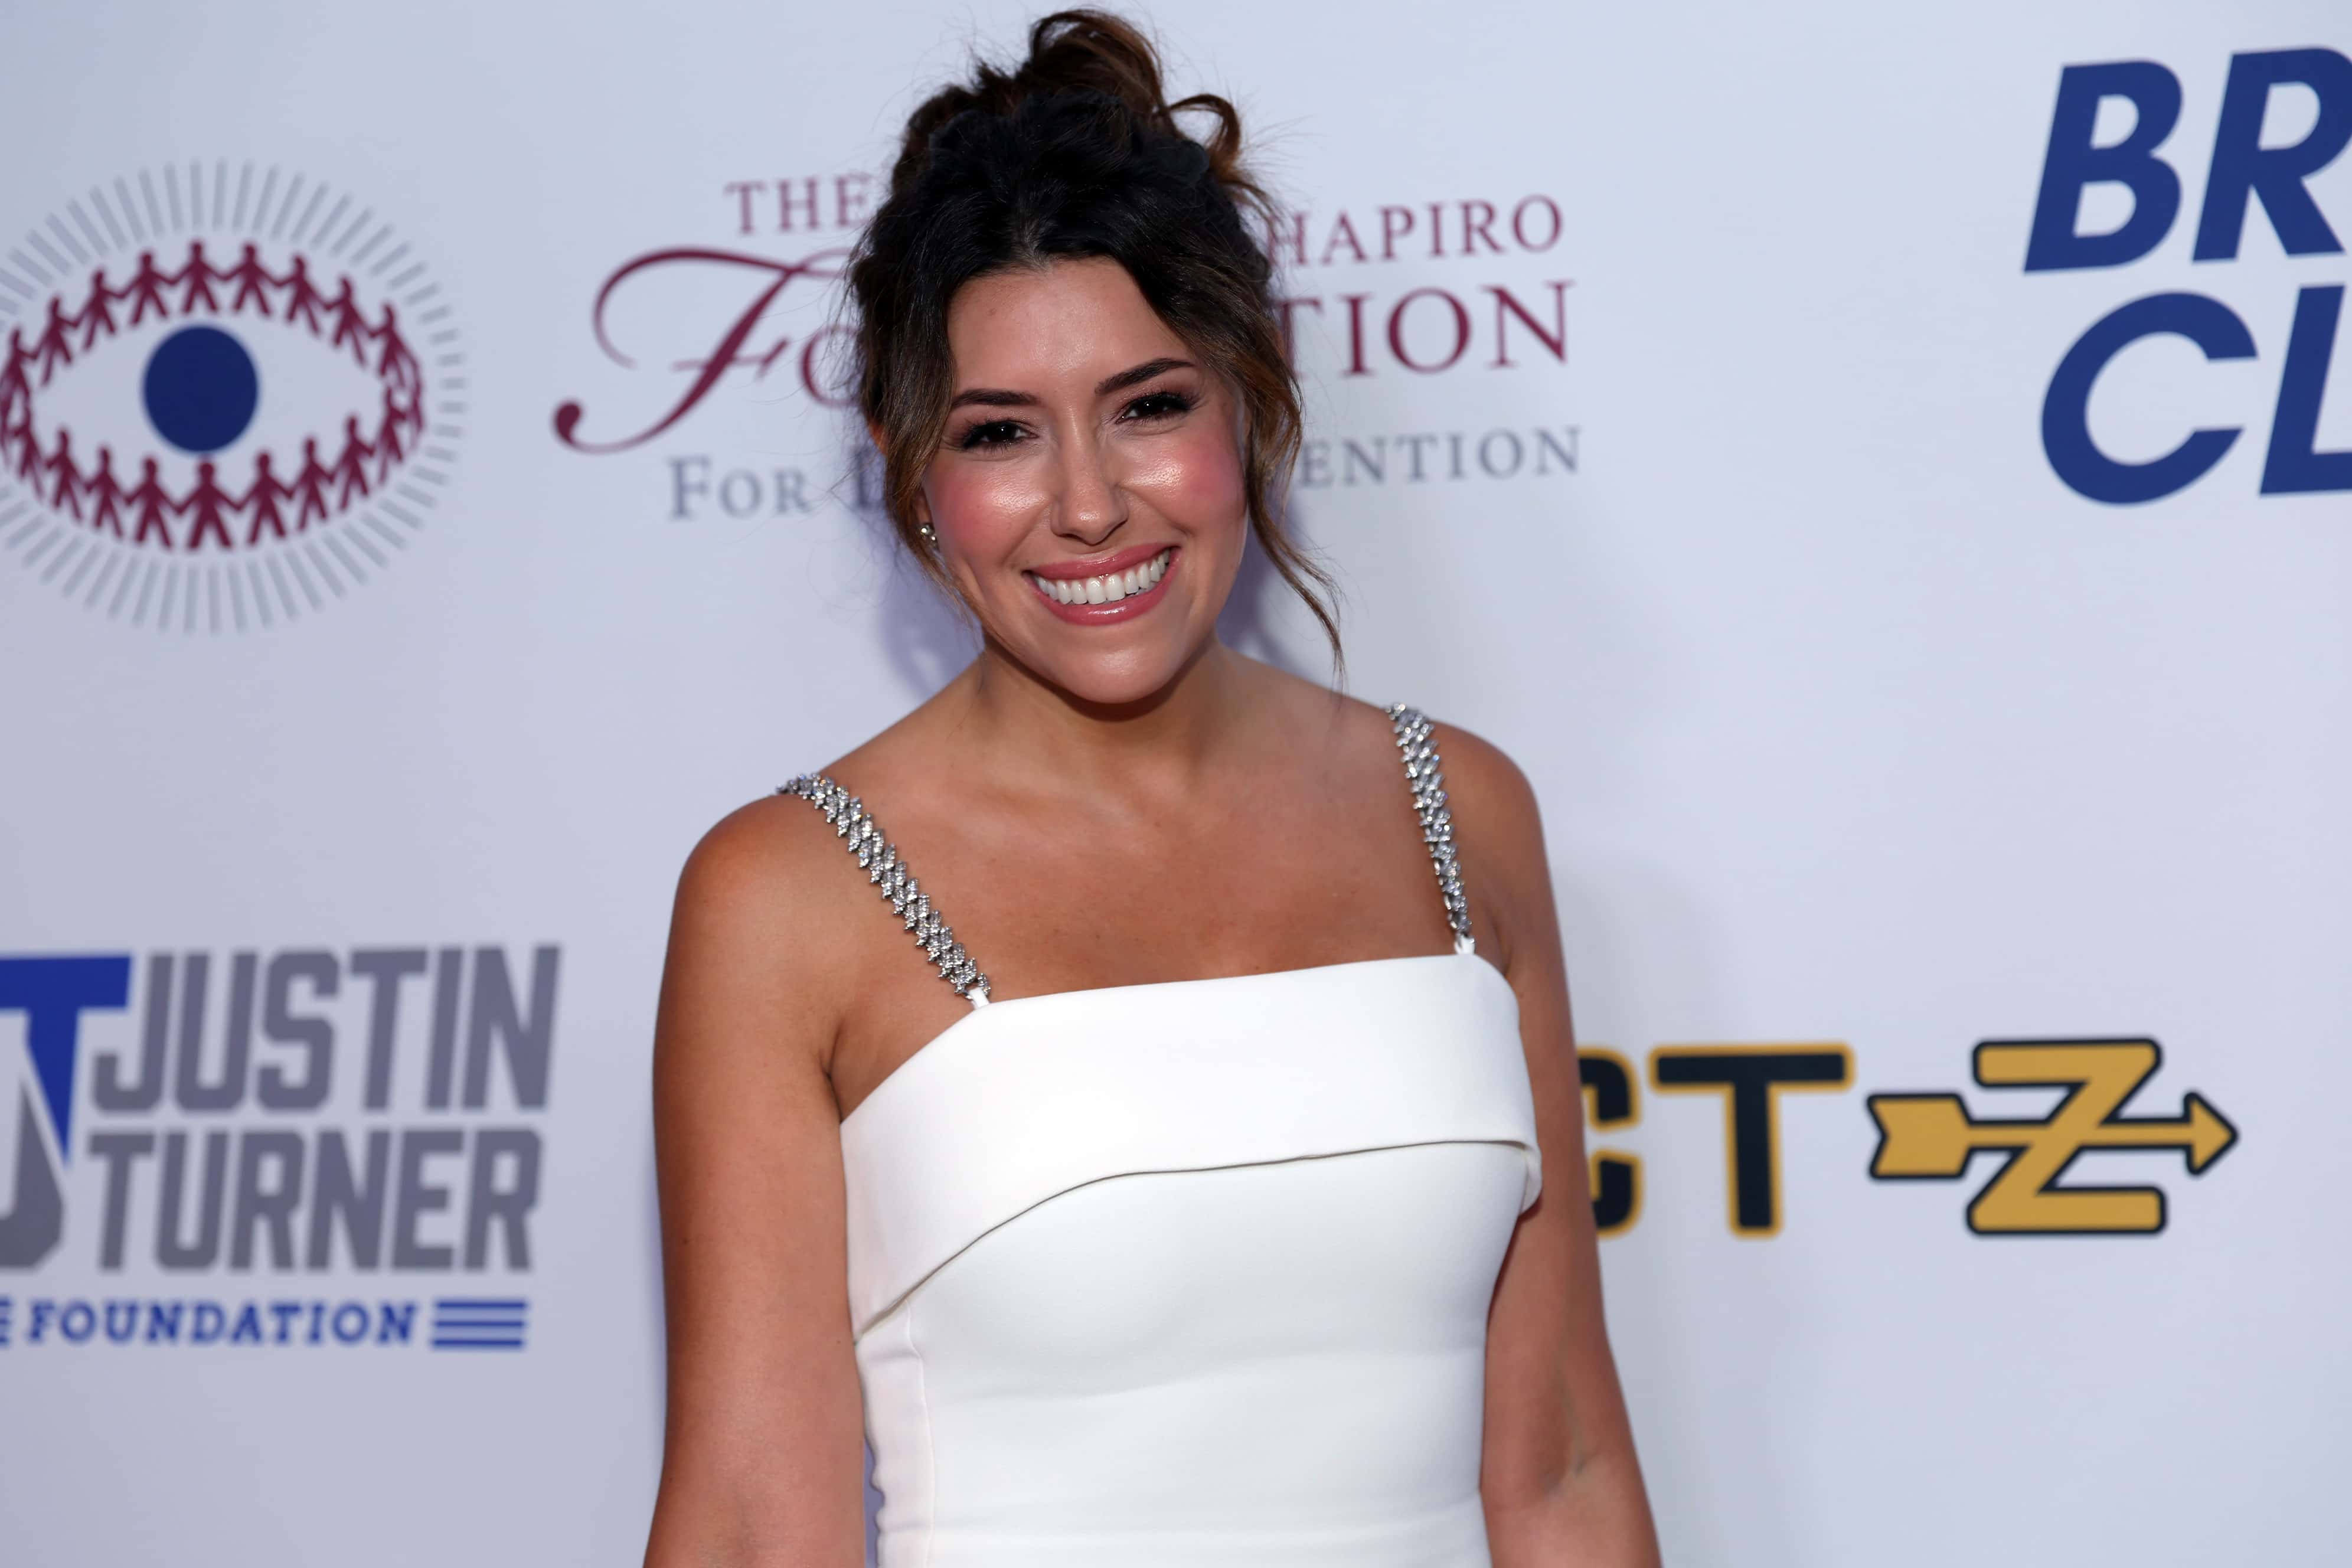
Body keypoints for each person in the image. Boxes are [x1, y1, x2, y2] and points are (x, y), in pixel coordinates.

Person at [645, 13, 1658, 1567]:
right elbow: (748, 1519)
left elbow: (1564, 1468)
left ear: (1248, 398)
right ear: (910, 467)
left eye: (1150, 404)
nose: (1091, 503)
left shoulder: (1459, 816)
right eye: (1001, 434)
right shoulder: (789, 895)